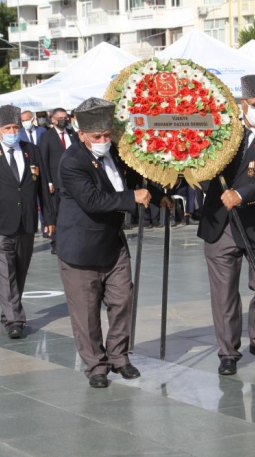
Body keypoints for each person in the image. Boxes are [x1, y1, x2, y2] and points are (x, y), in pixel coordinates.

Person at [56, 97, 170, 388]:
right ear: (81, 135)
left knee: (122, 302)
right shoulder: (71, 162)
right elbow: (92, 200)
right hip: (81, 249)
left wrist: (159, 196)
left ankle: (119, 356)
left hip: (114, 244)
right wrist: (131, 199)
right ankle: (96, 364)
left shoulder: (116, 154)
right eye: (97, 136)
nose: (104, 140)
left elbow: (136, 178)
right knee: (86, 313)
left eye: (107, 135)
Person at [199, 74, 255, 376]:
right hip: (220, 223)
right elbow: (197, 164)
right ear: (242, 103)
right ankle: (228, 352)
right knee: (224, 294)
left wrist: (241, 193)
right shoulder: (221, 132)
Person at [0, 105, 55, 339]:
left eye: (15, 127)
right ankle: (15, 319)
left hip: (26, 221)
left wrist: (49, 217)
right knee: (4, 271)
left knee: (19, 269)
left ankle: (8, 309)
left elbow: (43, 187)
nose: (12, 131)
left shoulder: (32, 151)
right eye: (7, 127)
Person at [39, 107, 79, 255]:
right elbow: (43, 160)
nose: (64, 120)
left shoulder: (72, 134)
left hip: (74, 181)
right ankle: (56, 242)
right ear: (54, 120)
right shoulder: (47, 136)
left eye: (65, 117)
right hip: (56, 182)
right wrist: (48, 181)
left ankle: (72, 239)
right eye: (60, 118)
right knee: (56, 213)